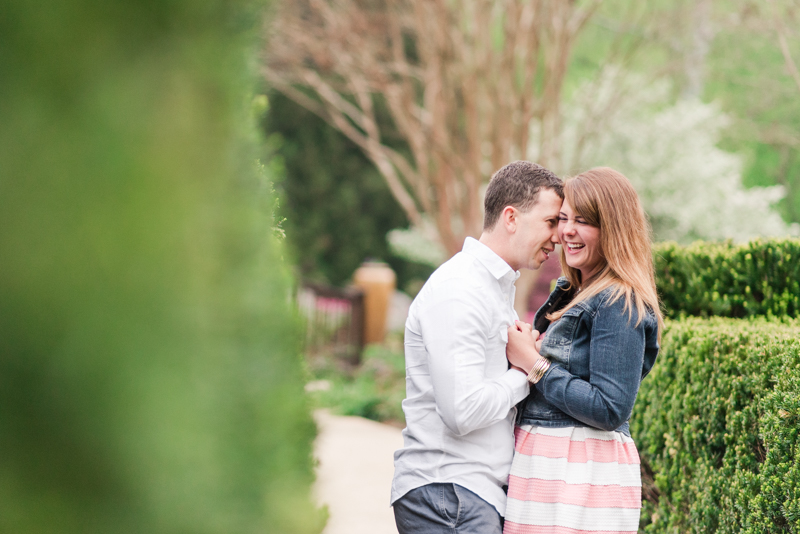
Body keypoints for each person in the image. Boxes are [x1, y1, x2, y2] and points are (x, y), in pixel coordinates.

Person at [391, 161, 564, 534]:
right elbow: (462, 411)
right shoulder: (461, 289)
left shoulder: (492, 288)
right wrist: (524, 372)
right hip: (449, 493)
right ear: (511, 217)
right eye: (551, 222)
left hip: (466, 495)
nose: (559, 237)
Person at [503, 167, 663, 534]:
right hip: (550, 468)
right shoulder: (574, 292)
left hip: (579, 471)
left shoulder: (617, 301)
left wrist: (534, 363)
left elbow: (610, 407)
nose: (567, 231)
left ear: (614, 229)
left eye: (584, 221)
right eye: (563, 219)